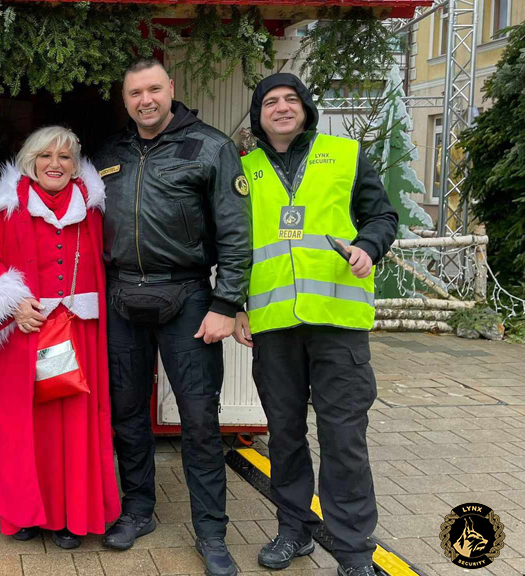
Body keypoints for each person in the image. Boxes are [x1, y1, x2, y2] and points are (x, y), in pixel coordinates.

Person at [234, 73, 397, 576]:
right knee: (283, 434)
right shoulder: (245, 170)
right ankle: (294, 530)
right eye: (270, 102)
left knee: (343, 437)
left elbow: (382, 216)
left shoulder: (343, 155)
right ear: (258, 116)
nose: (281, 108)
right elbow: (235, 246)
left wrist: (368, 249)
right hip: (274, 325)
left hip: (337, 322)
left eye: (290, 100)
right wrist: (237, 304)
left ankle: (352, 552)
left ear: (305, 108)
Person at [94, 59, 251, 576]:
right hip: (120, 296)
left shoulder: (210, 147)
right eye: (135, 92)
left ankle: (211, 533)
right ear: (125, 99)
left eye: (154, 89)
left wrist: (226, 304)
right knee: (127, 413)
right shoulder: (109, 154)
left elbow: (235, 230)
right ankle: (138, 510)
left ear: (172, 90)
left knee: (201, 420)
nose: (146, 100)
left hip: (187, 297)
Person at [0, 126, 121, 549]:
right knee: (22, 427)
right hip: (23, 337)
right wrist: (12, 304)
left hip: (78, 336)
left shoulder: (94, 210)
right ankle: (23, 512)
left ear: (75, 164)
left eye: (65, 157)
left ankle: (72, 516)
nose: (55, 164)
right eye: (45, 156)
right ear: (30, 162)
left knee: (75, 428)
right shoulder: (6, 212)